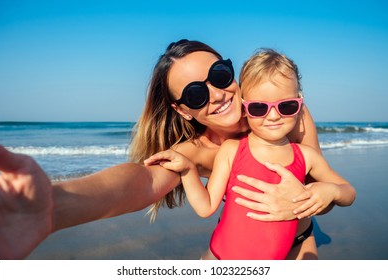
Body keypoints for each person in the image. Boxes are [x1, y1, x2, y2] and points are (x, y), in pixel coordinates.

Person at [0, 39, 350, 260]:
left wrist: (322, 190)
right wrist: (55, 205)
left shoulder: (290, 113)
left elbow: (323, 189)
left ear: (233, 71)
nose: (216, 93)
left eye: (219, 74)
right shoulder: (197, 151)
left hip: (297, 242)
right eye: (196, 94)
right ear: (184, 109)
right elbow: (142, 181)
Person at [144, 49, 356, 260]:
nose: (273, 116)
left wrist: (329, 191)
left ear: (299, 104)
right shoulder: (232, 150)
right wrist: (188, 170)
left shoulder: (307, 156)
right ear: (245, 107)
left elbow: (348, 192)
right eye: (258, 108)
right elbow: (205, 207)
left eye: (287, 106)